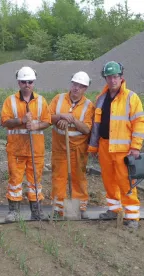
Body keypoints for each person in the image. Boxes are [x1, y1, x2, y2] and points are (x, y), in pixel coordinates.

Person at [88, 61, 144, 229]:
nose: (112, 80)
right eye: (109, 77)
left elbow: (140, 123)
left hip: (124, 150)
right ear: (105, 78)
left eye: (115, 77)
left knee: (126, 183)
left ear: (121, 78)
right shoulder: (100, 99)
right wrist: (94, 146)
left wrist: (135, 147)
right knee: (109, 180)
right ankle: (113, 210)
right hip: (104, 147)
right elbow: (96, 125)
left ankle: (132, 217)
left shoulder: (131, 97)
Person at [1, 66, 51, 221]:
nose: (27, 84)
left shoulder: (41, 101)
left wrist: (36, 125)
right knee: (15, 181)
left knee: (35, 181)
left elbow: (47, 121)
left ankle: (36, 212)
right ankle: (14, 212)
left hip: (35, 150)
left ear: (33, 82)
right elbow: (4, 121)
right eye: (24, 82)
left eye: (29, 82)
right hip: (16, 149)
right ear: (19, 83)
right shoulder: (10, 101)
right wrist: (20, 120)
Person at [49, 71, 95, 219]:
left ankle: (79, 208)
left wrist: (72, 120)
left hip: (79, 149)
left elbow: (87, 128)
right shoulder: (59, 99)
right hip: (60, 147)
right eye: (75, 84)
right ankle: (58, 208)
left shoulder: (89, 106)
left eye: (81, 86)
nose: (76, 88)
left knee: (79, 178)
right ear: (71, 84)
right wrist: (61, 117)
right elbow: (47, 117)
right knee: (59, 176)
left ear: (85, 89)